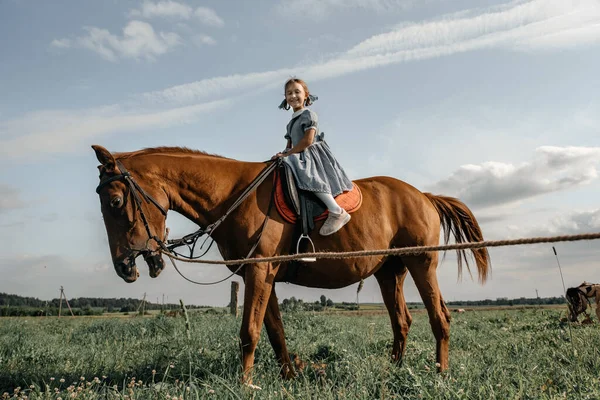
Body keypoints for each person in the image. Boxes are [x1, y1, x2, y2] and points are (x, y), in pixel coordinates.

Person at [272, 78, 353, 236]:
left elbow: (307, 141)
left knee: (308, 176)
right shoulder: (290, 123)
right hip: (297, 153)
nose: (293, 96)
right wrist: (282, 154)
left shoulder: (309, 115)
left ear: (306, 95)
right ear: (285, 98)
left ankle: (336, 211)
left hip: (310, 154)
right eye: (289, 93)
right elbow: (289, 146)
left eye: (297, 92)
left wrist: (289, 154)